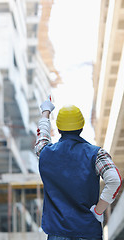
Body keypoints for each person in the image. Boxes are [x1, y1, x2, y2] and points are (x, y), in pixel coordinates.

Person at [35, 98, 122, 240]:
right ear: (82, 126)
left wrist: (46, 111)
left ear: (58, 129)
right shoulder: (97, 154)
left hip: (57, 233)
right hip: (88, 232)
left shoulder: (46, 153)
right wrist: (98, 211)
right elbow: (114, 180)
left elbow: (41, 137)